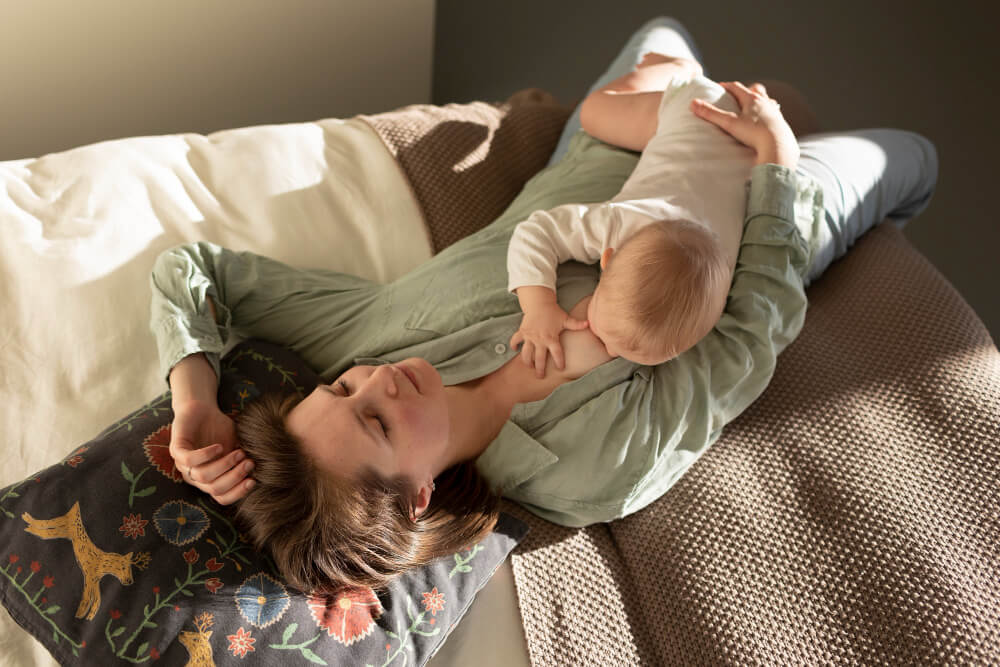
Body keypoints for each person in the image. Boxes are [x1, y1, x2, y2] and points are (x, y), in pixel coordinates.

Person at [151, 18, 937, 594]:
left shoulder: (362, 336)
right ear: (421, 493)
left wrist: (195, 398)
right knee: (916, 158)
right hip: (742, 222)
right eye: (377, 421)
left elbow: (196, 272)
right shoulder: (590, 466)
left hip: (616, 134)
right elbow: (744, 344)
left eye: (343, 387)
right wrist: (775, 167)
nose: (377, 380)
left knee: (665, 28)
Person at [507, 53, 800, 372]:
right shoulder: (618, 224)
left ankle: (710, 80)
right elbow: (536, 232)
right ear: (605, 258)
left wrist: (775, 143)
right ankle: (682, 73)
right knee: (594, 110)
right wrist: (539, 306)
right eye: (606, 339)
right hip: (697, 112)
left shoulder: (724, 272)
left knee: (592, 114)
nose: (610, 351)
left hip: (744, 145)